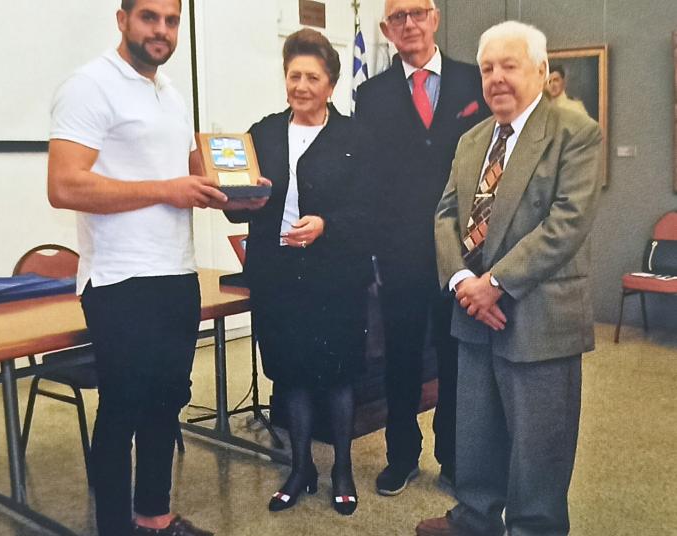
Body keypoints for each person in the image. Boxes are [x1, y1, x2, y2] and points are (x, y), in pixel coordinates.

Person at [47, 1, 267, 534]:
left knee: (167, 400)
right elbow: (64, 185)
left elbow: (190, 175)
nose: (162, 31)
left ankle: (154, 517)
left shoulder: (168, 92)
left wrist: (234, 192)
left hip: (176, 271)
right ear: (122, 19)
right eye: (150, 17)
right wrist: (167, 190)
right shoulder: (88, 86)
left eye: (171, 21)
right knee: (123, 406)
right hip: (120, 278)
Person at [418, 20, 602, 536]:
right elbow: (446, 214)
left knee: (539, 448)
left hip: (539, 316)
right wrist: (462, 281)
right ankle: (474, 519)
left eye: (509, 66)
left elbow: (566, 223)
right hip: (473, 312)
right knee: (476, 434)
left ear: (541, 71)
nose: (496, 78)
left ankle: (533, 528)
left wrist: (493, 284)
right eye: (487, 68)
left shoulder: (574, 133)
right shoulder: (472, 140)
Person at [225, 28, 375, 517]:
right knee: (290, 374)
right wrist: (239, 198)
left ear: (331, 84)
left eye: (312, 77)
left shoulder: (355, 137)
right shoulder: (263, 132)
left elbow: (372, 210)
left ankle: (343, 470)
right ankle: (300, 467)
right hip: (278, 277)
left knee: (337, 374)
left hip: (335, 276)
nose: (301, 86)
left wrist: (326, 224)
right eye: (294, 75)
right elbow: (236, 204)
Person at [354, 0, 489, 496]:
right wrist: (373, 255)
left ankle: (453, 457)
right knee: (402, 360)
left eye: (417, 13)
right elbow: (367, 179)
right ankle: (401, 457)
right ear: (387, 29)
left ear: (434, 18)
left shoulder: (472, 82)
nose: (408, 23)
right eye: (398, 17)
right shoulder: (371, 95)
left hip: (463, 255)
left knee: (456, 360)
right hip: (400, 256)